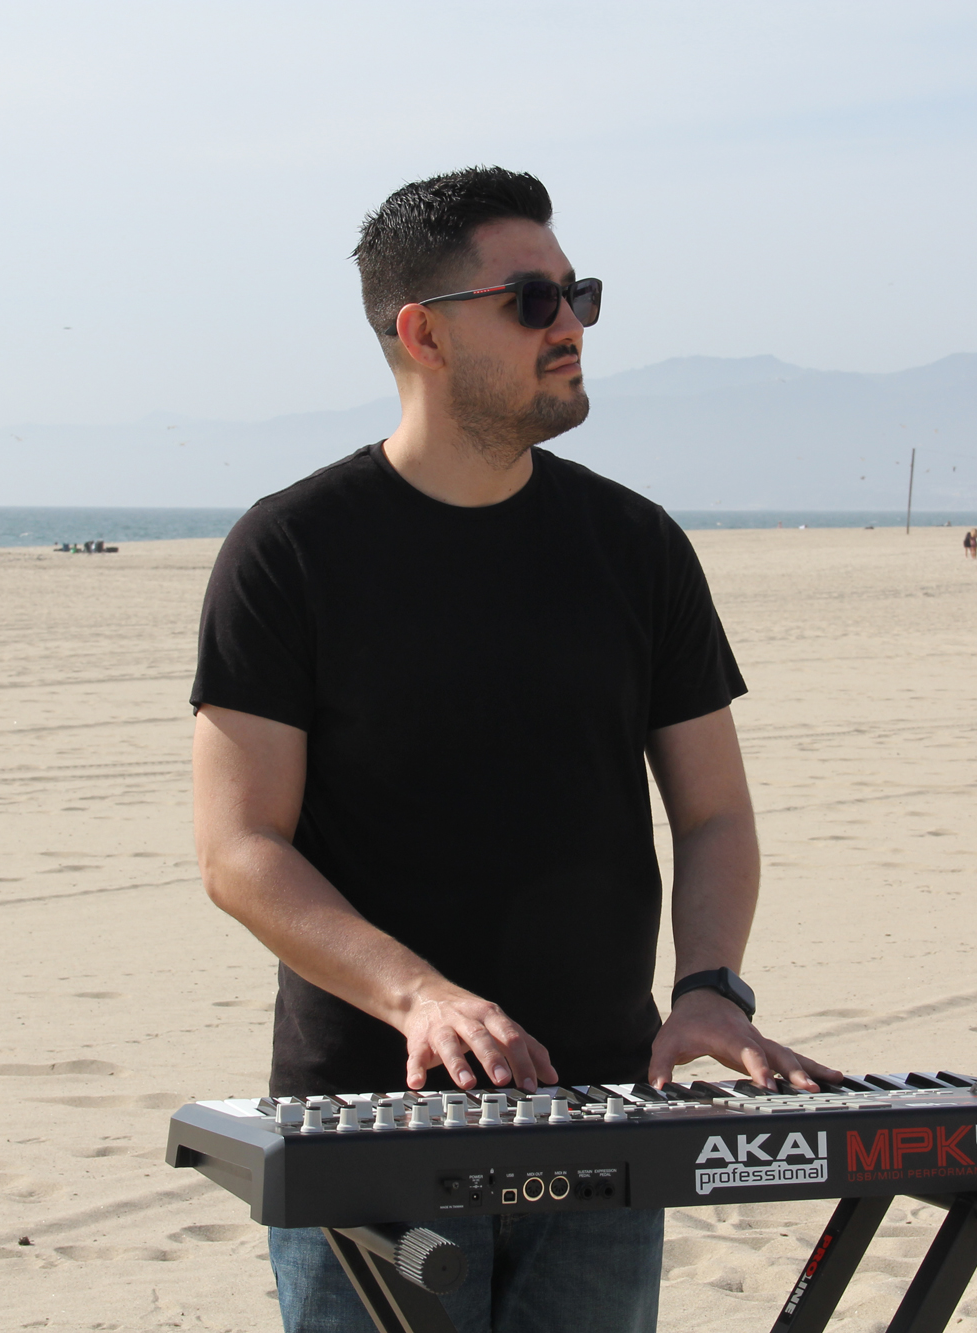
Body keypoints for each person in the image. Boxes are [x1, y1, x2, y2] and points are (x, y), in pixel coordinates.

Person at [188, 167, 837, 1333]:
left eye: (579, 295)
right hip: (368, 1125)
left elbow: (714, 813)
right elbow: (238, 849)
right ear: (424, 333)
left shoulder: (635, 545)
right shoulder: (289, 551)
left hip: (603, 1113)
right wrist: (419, 997)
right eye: (532, 301)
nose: (570, 325)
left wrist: (707, 986)